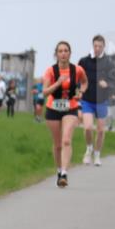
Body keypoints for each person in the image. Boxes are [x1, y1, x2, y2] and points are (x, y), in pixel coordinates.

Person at [40, 41, 88, 187]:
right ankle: (59, 169)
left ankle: (65, 174)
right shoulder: (50, 71)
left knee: (66, 140)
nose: (63, 53)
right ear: (56, 54)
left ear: (70, 53)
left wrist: (81, 92)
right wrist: (58, 83)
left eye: (66, 50)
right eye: (60, 51)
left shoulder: (77, 70)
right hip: (53, 107)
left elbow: (85, 82)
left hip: (70, 106)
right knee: (57, 144)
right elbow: (45, 91)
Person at [78, 35, 115, 166]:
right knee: (88, 127)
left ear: (103, 47)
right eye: (95, 46)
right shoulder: (84, 61)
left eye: (100, 46)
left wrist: (107, 83)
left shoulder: (109, 63)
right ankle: (89, 149)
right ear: (92, 45)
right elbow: (77, 78)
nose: (97, 48)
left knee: (101, 130)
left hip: (101, 100)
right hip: (87, 100)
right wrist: (79, 90)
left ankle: (97, 154)